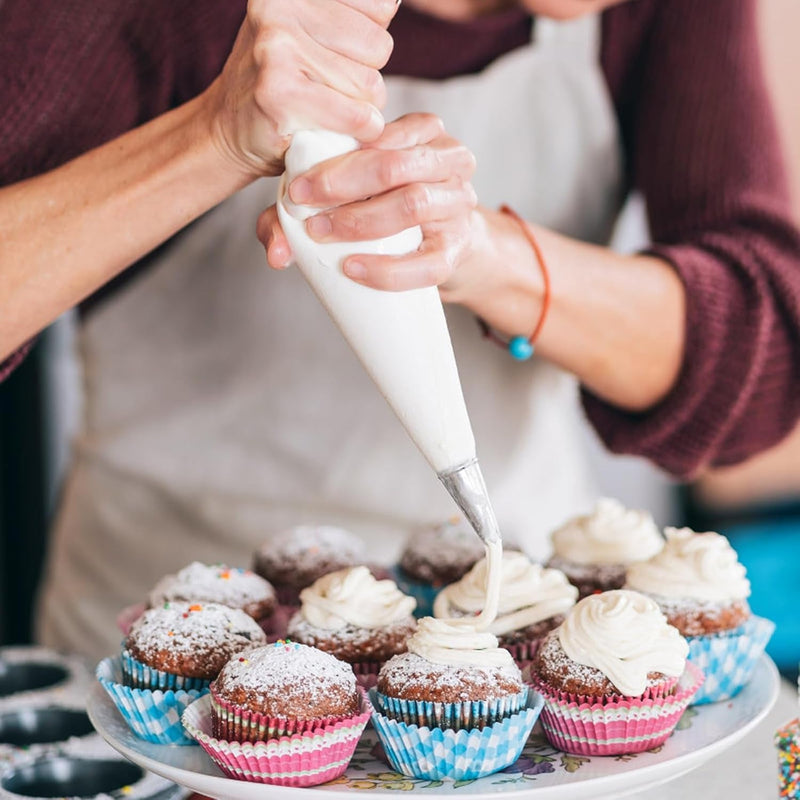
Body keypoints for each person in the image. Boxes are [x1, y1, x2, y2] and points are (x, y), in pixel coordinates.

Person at [1, 0, 798, 662]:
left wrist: (486, 255)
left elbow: (765, 367)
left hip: (512, 627)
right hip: (160, 641)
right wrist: (213, 134)